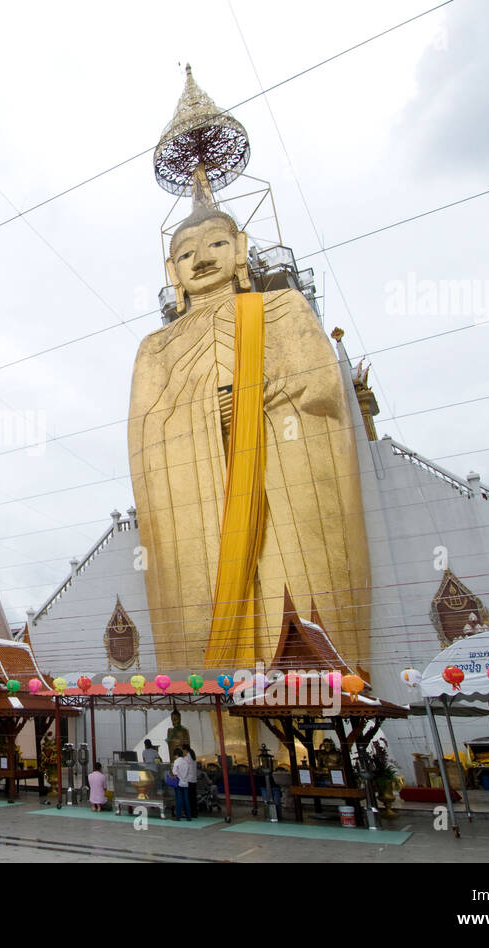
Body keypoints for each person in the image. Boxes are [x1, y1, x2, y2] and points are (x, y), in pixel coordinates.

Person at [129, 104, 371, 671]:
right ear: (172, 272)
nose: (202, 259)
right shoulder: (154, 348)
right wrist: (205, 414)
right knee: (201, 590)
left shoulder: (280, 307)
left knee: (293, 587)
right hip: (198, 495)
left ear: (240, 252)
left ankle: (318, 688)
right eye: (186, 254)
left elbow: (321, 390)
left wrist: (257, 405)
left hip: (282, 472)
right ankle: (221, 712)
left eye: (216, 245)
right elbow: (145, 438)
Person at [171, 747, 192, 821]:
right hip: (185, 783)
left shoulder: (177, 761)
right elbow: (188, 771)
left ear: (176, 755)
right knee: (186, 800)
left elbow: (174, 772)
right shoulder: (185, 761)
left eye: (174, 755)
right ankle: (188, 816)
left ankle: (178, 816)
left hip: (179, 783)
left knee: (179, 800)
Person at [183, 746, 199, 819]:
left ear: (185, 750)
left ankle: (188, 813)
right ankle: (194, 813)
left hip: (188, 780)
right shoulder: (193, 757)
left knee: (188, 798)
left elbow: (184, 769)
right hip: (194, 780)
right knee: (193, 798)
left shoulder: (186, 758)